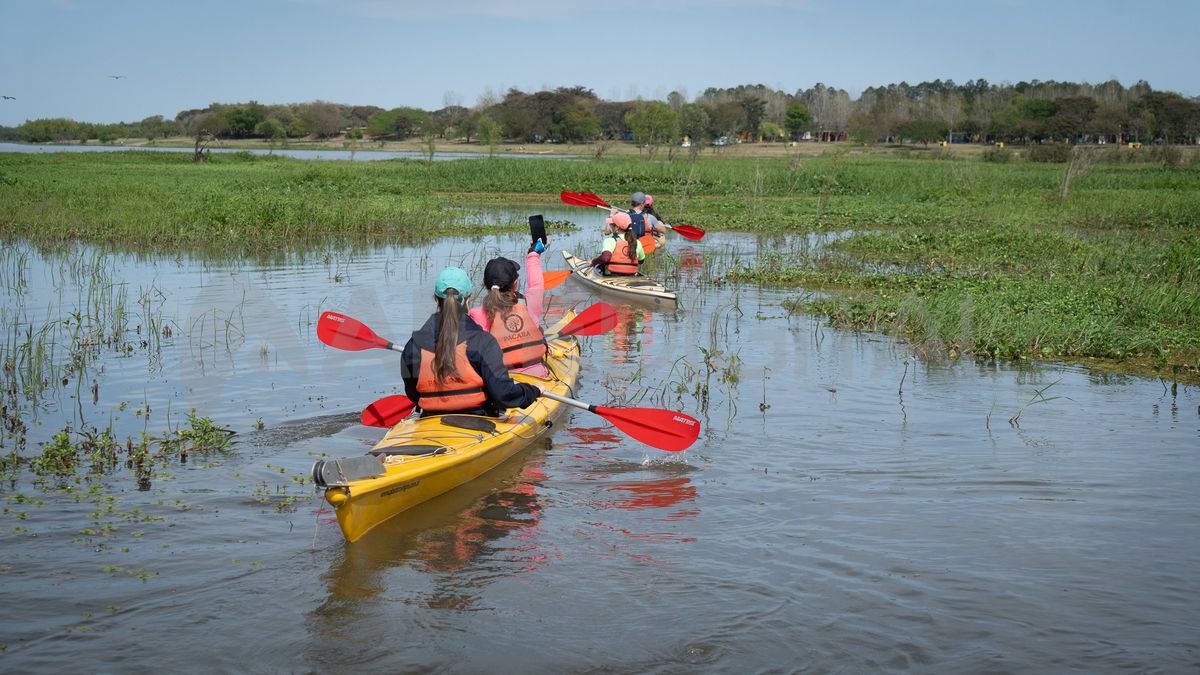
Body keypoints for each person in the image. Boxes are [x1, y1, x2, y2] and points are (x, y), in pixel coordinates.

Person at [401, 267, 542, 417]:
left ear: (436, 299)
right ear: (469, 299)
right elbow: (504, 396)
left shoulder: (413, 345)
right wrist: (533, 391)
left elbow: (413, 394)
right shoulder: (482, 342)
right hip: (478, 420)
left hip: (430, 418)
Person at [467, 239, 550, 378]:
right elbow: (537, 285)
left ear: (485, 285)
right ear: (515, 284)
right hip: (539, 379)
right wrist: (534, 254)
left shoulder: (476, 314)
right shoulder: (530, 303)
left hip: (502, 384)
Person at [590, 211, 645, 276]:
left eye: (612, 225)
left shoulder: (610, 241)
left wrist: (593, 262)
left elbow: (605, 258)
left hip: (613, 277)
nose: (610, 226)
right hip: (631, 277)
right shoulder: (637, 242)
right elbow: (641, 261)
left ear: (617, 228)